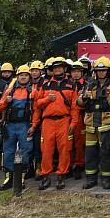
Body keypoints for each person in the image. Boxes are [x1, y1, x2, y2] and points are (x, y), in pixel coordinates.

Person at [32, 57, 79, 190]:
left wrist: (73, 123)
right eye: (55, 68)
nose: (58, 70)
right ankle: (45, 176)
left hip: (64, 121)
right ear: (52, 71)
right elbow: (37, 104)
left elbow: (75, 107)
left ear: (64, 69)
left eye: (60, 67)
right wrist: (47, 99)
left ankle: (61, 177)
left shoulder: (71, 85)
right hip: (48, 122)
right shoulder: (46, 85)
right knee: (46, 150)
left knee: (64, 150)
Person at [80, 57, 110, 190]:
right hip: (91, 125)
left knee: (106, 152)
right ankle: (91, 179)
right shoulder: (89, 84)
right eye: (99, 70)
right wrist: (84, 97)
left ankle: (106, 179)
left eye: (104, 70)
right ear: (95, 72)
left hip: (106, 124)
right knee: (90, 153)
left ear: (108, 71)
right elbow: (79, 103)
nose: (101, 73)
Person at [0, 65, 35, 191]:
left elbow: (36, 110)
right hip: (10, 125)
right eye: (21, 75)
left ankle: (21, 177)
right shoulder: (10, 91)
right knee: (7, 151)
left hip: (25, 125)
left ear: (29, 77)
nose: (23, 77)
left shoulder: (33, 91)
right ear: (17, 76)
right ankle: (9, 177)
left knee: (26, 150)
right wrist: (6, 101)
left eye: (26, 75)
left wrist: (33, 126)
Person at [68, 60, 87, 180]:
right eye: (73, 71)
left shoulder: (87, 85)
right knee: (68, 143)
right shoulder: (66, 84)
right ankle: (69, 165)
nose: (75, 74)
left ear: (82, 72)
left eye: (77, 71)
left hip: (81, 116)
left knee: (80, 143)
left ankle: (79, 165)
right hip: (68, 117)